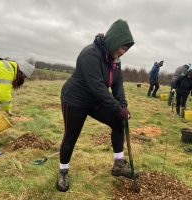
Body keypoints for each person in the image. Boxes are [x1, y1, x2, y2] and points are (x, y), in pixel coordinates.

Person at [56, 19, 135, 192]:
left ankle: (118, 165)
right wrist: (117, 108)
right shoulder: (90, 54)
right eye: (122, 47)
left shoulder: (115, 61)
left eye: (126, 49)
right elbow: (98, 87)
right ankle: (63, 172)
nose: (123, 52)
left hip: (95, 101)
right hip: (75, 99)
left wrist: (122, 105)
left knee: (117, 121)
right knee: (71, 135)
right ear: (114, 40)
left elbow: (117, 85)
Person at [0, 53, 35, 156]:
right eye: (24, 77)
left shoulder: (5, 66)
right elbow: (4, 94)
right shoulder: (8, 71)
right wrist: (6, 108)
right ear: (21, 72)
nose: (23, 79)